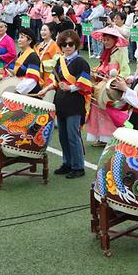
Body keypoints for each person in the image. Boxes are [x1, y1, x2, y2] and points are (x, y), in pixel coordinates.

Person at [37, 29, 92, 179]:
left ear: (76, 45)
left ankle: (78, 166)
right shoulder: (60, 61)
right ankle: (67, 163)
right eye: (64, 44)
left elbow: (86, 83)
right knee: (62, 135)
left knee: (73, 135)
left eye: (71, 44)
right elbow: (55, 81)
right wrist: (46, 89)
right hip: (60, 102)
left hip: (74, 103)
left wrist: (71, 87)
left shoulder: (81, 62)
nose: (67, 47)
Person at [85, 26, 131, 145]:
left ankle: (111, 136)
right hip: (102, 84)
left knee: (109, 112)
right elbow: (102, 67)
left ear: (114, 40)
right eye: (104, 39)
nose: (105, 42)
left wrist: (116, 80)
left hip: (112, 86)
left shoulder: (120, 51)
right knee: (97, 110)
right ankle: (101, 137)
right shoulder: (106, 52)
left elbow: (125, 70)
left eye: (108, 40)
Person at [11, 27, 43, 95]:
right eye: (19, 37)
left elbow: (32, 79)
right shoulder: (20, 54)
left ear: (29, 41)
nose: (19, 40)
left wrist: (17, 91)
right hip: (21, 90)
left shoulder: (33, 56)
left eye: (22, 37)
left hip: (29, 93)